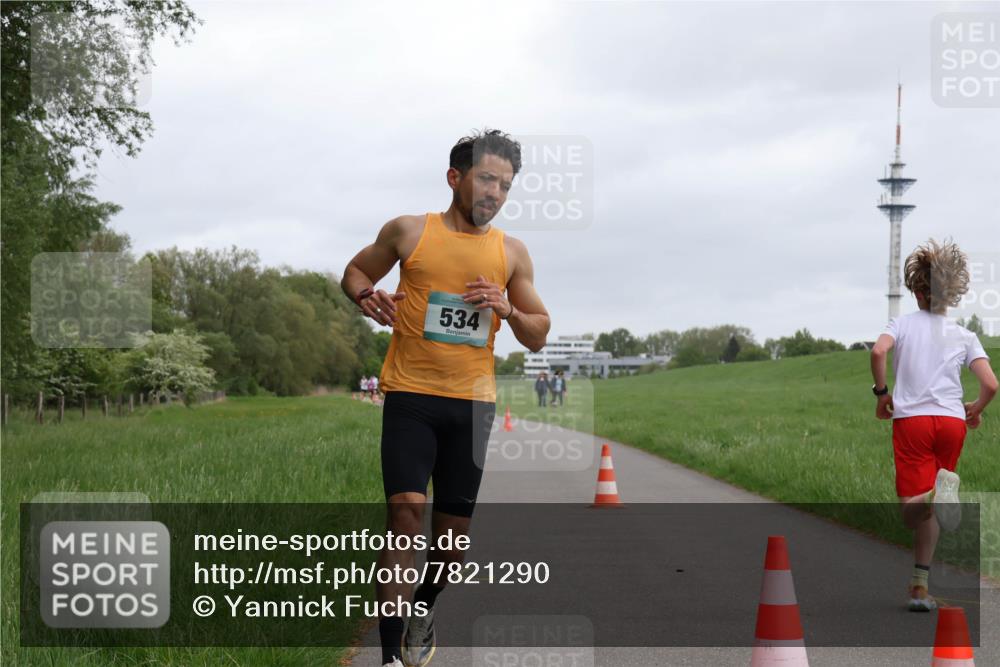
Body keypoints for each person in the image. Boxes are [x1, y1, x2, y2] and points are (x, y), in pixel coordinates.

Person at [341, 129, 550, 667]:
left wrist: (505, 308)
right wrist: (367, 294)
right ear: (455, 177)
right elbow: (356, 270)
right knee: (405, 513)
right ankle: (389, 658)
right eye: (486, 179)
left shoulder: (511, 253)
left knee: (451, 547)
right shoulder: (410, 232)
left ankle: (425, 606)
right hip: (410, 396)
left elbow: (538, 332)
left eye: (505, 185)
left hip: (472, 406)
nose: (495, 194)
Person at [870, 238, 997, 612]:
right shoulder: (965, 335)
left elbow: (878, 351)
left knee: (914, 509)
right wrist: (974, 409)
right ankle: (920, 587)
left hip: (913, 424)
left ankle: (930, 498)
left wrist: (881, 394)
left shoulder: (903, 324)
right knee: (936, 499)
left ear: (918, 291)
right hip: (952, 423)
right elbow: (991, 384)